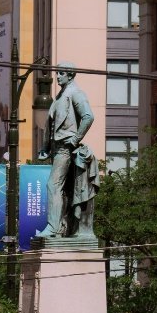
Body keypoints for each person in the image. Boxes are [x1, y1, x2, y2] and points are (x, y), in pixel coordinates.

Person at [35, 62, 97, 240]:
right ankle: (64, 227)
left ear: (70, 75)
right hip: (56, 148)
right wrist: (46, 147)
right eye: (57, 73)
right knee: (66, 189)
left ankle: (53, 227)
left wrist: (76, 138)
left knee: (53, 185)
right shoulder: (60, 96)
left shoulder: (75, 93)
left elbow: (88, 116)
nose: (57, 76)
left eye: (61, 73)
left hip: (65, 149)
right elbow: (52, 125)